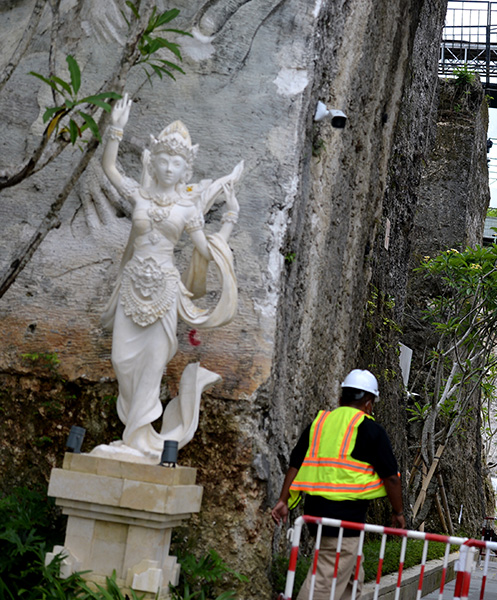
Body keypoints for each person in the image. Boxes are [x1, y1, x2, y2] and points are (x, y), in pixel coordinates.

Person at [99, 93, 242, 459]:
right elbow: (110, 169)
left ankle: (137, 440)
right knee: (121, 361)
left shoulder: (187, 209)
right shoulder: (140, 195)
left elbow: (206, 251)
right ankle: (137, 435)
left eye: (175, 162)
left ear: (185, 170)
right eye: (162, 159)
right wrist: (116, 128)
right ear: (154, 162)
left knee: (153, 364)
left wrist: (229, 218)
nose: (166, 167)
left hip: (163, 291)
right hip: (132, 286)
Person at [272, 369, 405, 600]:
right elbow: (391, 477)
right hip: (346, 520)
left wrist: (284, 500)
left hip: (315, 513)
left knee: (352, 578)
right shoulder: (371, 429)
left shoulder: (320, 422)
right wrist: (398, 512)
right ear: (369, 403)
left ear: (341, 398)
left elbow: (295, 462)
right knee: (325, 579)